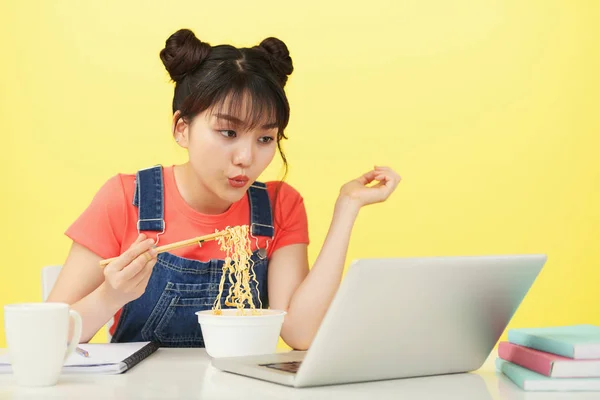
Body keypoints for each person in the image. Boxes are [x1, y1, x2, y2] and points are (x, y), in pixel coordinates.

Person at [47, 29, 401, 350]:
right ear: (182, 128)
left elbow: (300, 333)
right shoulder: (126, 199)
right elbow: (46, 334)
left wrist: (347, 208)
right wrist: (110, 295)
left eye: (265, 138)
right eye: (228, 133)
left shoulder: (280, 205)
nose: (246, 157)